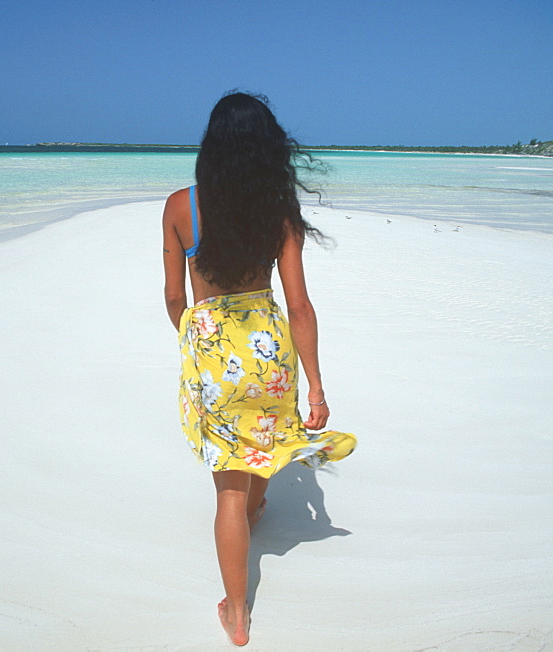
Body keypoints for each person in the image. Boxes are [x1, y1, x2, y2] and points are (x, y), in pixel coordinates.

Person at [162, 91, 356, 646]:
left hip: (213, 352)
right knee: (265, 443)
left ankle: (237, 613)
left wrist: (196, 343)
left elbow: (175, 298)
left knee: (228, 485)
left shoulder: (181, 207)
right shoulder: (277, 212)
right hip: (270, 350)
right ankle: (256, 508)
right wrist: (316, 386)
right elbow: (298, 305)